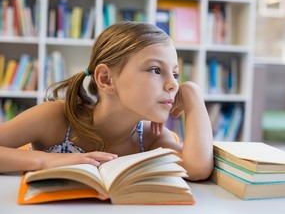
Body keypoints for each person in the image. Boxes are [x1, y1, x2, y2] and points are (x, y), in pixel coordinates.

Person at [0, 22, 213, 180]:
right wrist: (45, 160)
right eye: (155, 70)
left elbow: (196, 169)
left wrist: (192, 94)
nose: (173, 85)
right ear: (106, 79)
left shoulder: (150, 137)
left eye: (175, 75)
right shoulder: (55, 117)